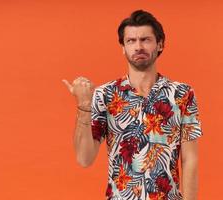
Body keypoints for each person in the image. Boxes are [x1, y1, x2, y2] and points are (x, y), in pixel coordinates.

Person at [63, 10, 202, 200]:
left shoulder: (182, 94)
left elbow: (190, 159)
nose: (138, 46)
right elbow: (84, 159)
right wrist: (84, 105)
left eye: (145, 39)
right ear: (123, 47)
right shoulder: (106, 94)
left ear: (159, 44)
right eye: (131, 41)